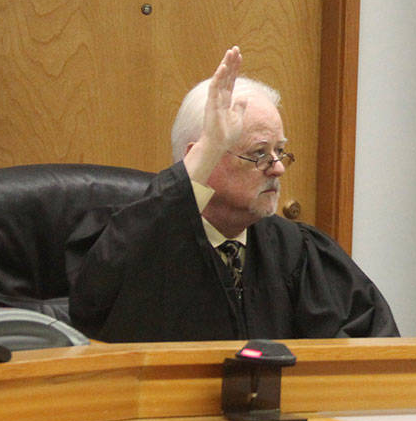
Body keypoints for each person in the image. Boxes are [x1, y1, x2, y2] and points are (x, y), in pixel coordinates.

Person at [67, 46, 399, 342]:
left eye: (280, 151)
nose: (278, 168)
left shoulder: (296, 250)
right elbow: (93, 305)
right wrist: (210, 145)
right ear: (199, 156)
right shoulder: (137, 245)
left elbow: (370, 346)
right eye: (258, 154)